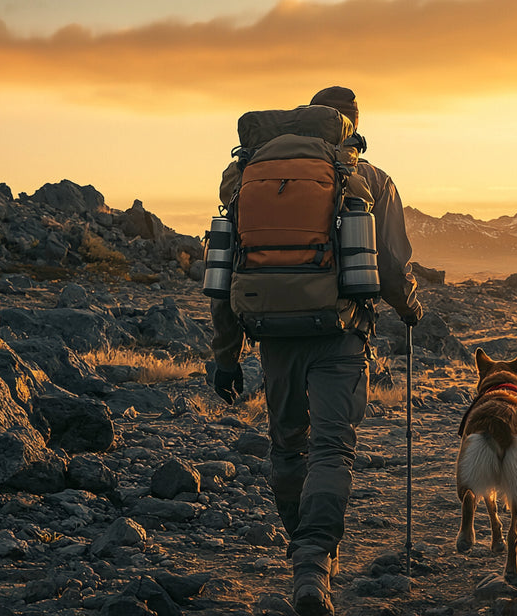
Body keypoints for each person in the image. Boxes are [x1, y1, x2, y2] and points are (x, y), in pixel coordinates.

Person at [210, 85, 422, 615]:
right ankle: (313, 560)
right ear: (350, 124)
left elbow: (225, 269)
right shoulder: (368, 178)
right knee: (332, 449)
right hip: (340, 333)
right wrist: (411, 308)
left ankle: (304, 552)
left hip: (273, 333)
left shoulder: (246, 175)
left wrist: (226, 355)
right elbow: (391, 268)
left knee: (287, 448)